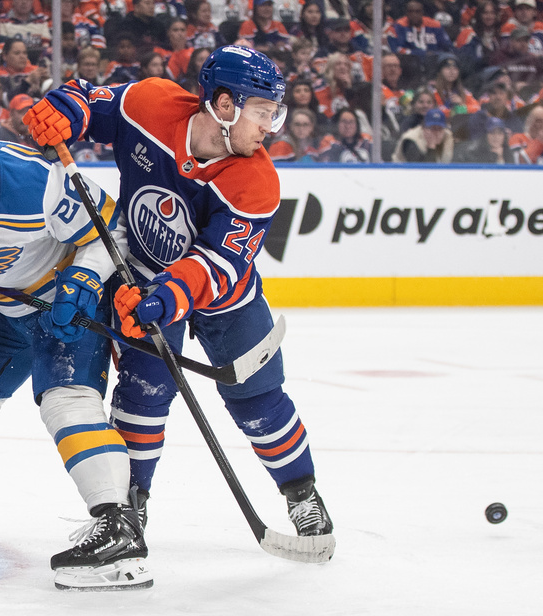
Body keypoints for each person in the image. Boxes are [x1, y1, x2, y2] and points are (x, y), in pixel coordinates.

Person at [24, 46, 334, 543]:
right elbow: (92, 106)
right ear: (225, 105)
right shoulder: (150, 104)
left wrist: (165, 299)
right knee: (141, 395)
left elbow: (220, 263)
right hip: (144, 278)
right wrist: (65, 110)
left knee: (258, 400)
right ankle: (130, 508)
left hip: (223, 300)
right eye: (263, 113)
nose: (269, 128)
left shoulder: (258, 181)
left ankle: (302, 494)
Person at [0, 105, 150, 591]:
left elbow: (111, 232)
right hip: (6, 309)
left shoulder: (39, 182)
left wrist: (85, 278)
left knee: (66, 405)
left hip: (64, 310)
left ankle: (121, 527)